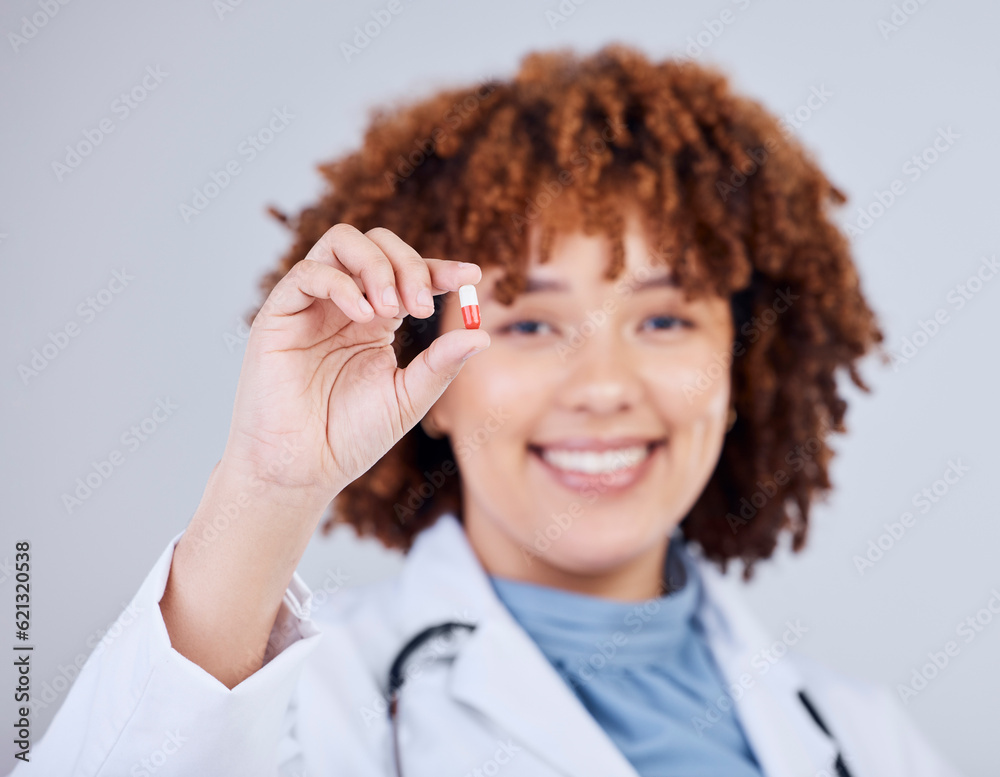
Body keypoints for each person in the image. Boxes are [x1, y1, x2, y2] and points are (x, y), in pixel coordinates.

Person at [16, 44, 965, 777]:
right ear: (427, 373)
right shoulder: (317, 702)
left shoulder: (854, 735)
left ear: (740, 361)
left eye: (665, 317)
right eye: (530, 325)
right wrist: (270, 483)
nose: (603, 385)